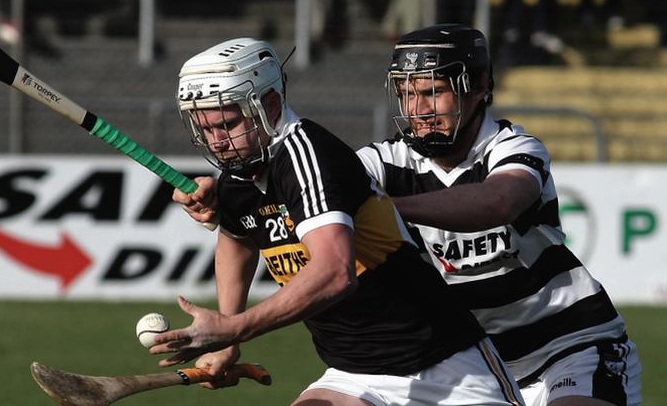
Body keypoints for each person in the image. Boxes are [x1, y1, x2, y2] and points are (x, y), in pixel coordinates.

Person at [173, 26, 643, 406]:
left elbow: (497, 202)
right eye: (407, 94)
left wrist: (371, 209)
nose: (417, 110)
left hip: (564, 347)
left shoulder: (512, 147)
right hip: (436, 350)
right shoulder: (381, 160)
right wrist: (235, 196)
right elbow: (306, 184)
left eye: (433, 92)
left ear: (479, 88)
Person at [156, 37, 525, 406]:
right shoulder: (239, 172)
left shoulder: (308, 156)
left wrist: (234, 328)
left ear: (268, 105)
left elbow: (335, 273)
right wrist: (229, 342)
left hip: (446, 367)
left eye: (228, 124)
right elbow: (238, 238)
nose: (218, 142)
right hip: (353, 376)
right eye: (206, 130)